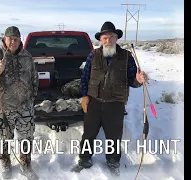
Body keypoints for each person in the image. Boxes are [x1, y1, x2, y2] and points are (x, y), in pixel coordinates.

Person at [71, 21, 146, 177]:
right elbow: (85, 77)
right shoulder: (94, 54)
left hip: (115, 104)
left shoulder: (126, 56)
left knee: (114, 136)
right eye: (105, 38)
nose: (108, 41)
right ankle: (84, 160)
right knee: (89, 134)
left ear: (116, 38)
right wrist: (84, 95)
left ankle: (113, 162)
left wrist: (138, 80)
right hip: (94, 102)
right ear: (100, 40)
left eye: (111, 37)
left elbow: (132, 80)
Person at [0, 26, 39, 180]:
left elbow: (34, 79)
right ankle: (5, 164)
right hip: (3, 109)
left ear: (20, 40)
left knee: (26, 138)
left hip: (24, 108)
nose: (13, 41)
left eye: (16, 39)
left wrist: (32, 99)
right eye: (10, 38)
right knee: (3, 139)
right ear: (4, 39)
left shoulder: (27, 56)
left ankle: (25, 165)